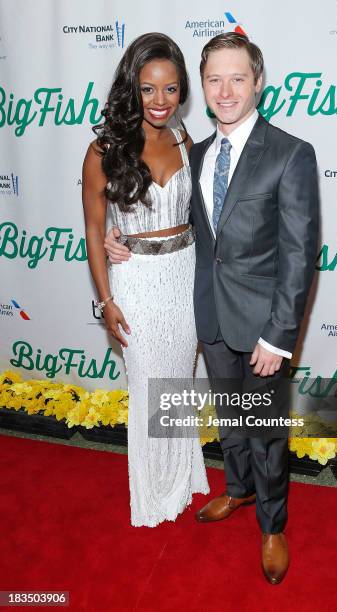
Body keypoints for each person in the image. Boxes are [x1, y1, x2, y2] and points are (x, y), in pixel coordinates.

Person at [104, 32, 319, 583]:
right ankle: (239, 490)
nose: (225, 91)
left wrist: (280, 335)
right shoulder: (192, 151)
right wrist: (118, 237)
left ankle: (272, 526)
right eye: (214, 79)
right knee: (230, 418)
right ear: (202, 85)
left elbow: (299, 256)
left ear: (258, 83)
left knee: (266, 429)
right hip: (210, 315)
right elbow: (181, 225)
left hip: (264, 326)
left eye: (237, 78)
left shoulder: (291, 153)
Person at [81, 32, 209, 528]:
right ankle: (154, 491)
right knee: (148, 384)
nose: (160, 101)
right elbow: (94, 229)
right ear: (130, 88)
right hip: (136, 282)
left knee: (177, 383)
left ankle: (181, 477)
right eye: (149, 89)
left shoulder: (184, 139)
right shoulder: (103, 149)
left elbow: (200, 214)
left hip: (184, 276)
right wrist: (106, 298)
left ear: (182, 92)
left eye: (171, 89)